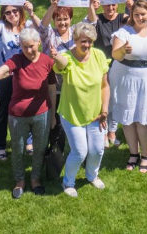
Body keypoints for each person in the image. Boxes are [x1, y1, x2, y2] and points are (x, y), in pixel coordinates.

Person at [0, 28, 56, 198]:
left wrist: (53, 116)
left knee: (40, 148)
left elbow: (51, 89)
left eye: (31, 46)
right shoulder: (17, 60)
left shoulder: (47, 62)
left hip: (42, 113)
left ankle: (35, 179)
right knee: (18, 148)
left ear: (38, 44)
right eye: (24, 46)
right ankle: (19, 180)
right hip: (17, 114)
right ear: (20, 45)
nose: (28, 50)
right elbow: (1, 71)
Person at [108, 0, 147, 173]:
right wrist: (123, 51)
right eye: (136, 14)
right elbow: (115, 54)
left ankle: (146, 155)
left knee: (146, 121)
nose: (140, 17)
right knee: (128, 120)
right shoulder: (123, 32)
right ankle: (133, 153)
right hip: (126, 78)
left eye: (143, 14)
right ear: (132, 15)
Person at [52, 22, 111, 196]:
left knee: (98, 149)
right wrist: (57, 57)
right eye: (83, 41)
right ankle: (68, 182)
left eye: (90, 41)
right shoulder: (67, 57)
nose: (86, 45)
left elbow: (105, 86)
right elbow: (61, 65)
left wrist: (105, 111)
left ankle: (92, 175)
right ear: (75, 40)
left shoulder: (99, 56)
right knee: (79, 152)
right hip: (72, 113)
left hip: (95, 113)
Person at [0, 0, 38, 160]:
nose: (12, 14)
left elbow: (43, 29)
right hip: (5, 75)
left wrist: (31, 12)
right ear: (4, 15)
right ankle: (0, 146)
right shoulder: (1, 27)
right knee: (2, 110)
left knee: (27, 108)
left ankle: (29, 141)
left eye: (15, 11)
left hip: (25, 74)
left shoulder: (28, 25)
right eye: (8, 12)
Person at [86, 0, 128, 147]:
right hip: (99, 64)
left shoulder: (123, 18)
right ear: (102, 4)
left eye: (114, 4)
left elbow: (137, 21)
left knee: (116, 98)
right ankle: (102, 132)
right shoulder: (97, 18)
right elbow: (91, 19)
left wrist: (130, 6)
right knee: (102, 98)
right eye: (107, 4)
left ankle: (112, 131)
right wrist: (90, 4)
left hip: (118, 64)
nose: (111, 8)